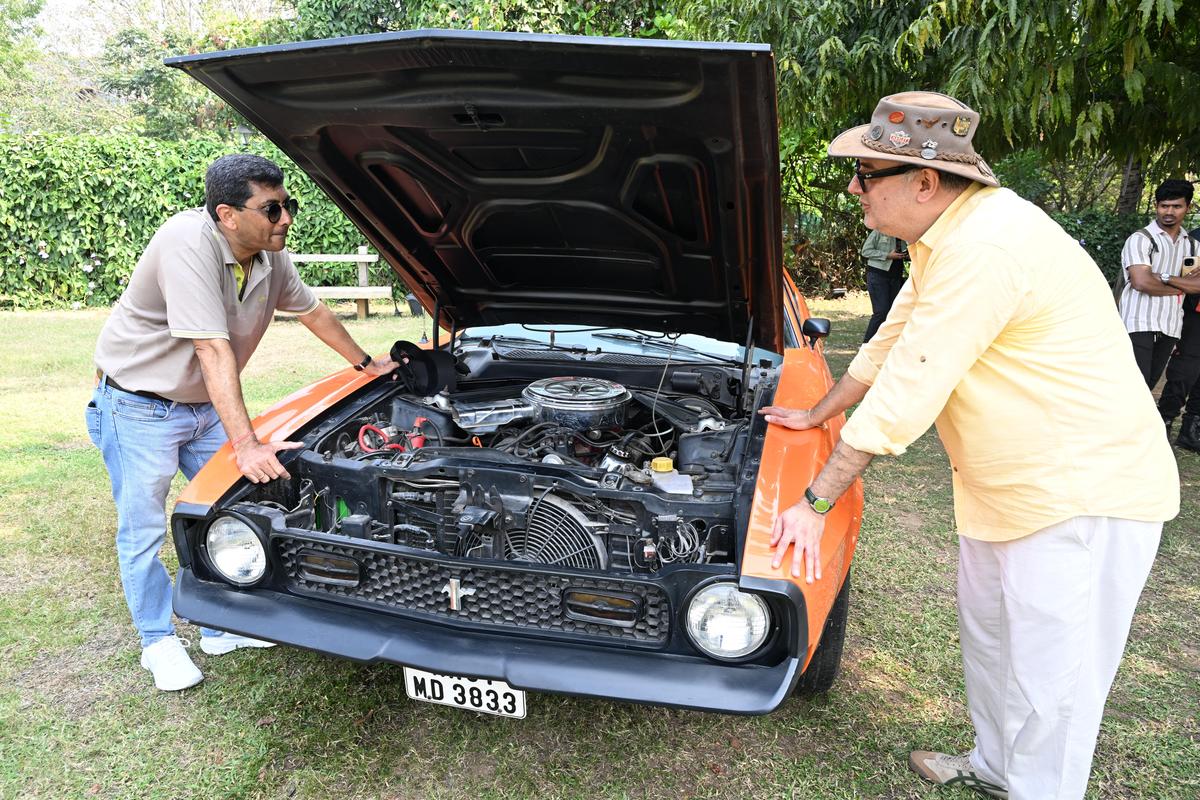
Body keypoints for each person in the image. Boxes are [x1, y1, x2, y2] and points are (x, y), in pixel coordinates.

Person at [759, 92, 1178, 800]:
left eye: (866, 174)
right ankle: (992, 766)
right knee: (992, 645)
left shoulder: (987, 246)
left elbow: (911, 385)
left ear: (924, 182)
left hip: (1082, 494)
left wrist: (815, 502)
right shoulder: (944, 239)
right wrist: (817, 411)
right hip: (1005, 489)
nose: (855, 189)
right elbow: (890, 338)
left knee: (1054, 684)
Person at [86, 154, 397, 692]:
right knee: (141, 528)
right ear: (227, 215)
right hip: (139, 407)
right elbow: (210, 346)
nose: (286, 220)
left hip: (202, 407)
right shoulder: (186, 243)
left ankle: (217, 625)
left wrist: (369, 366)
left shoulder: (268, 257)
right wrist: (246, 442)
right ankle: (157, 640)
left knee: (234, 508)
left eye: (288, 206)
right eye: (273, 209)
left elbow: (313, 311)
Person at [1116, 179, 1200, 390]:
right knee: (1134, 387)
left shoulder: (1192, 245)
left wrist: (1162, 277)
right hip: (1138, 322)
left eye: (1176, 206)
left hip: (1170, 324)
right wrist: (1183, 286)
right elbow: (1141, 282)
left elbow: (1198, 286)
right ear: (1157, 206)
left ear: (1187, 208)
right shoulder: (1140, 239)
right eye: (1164, 206)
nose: (1169, 211)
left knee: (1149, 386)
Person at [1156, 222, 1200, 449]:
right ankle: (1164, 419)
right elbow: (1187, 278)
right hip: (1195, 313)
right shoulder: (1194, 240)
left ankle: (1191, 429)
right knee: (1185, 370)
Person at [860, 227, 908, 341]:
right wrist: (887, 255)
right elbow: (866, 251)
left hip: (896, 276)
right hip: (878, 275)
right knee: (881, 311)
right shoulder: (879, 231)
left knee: (893, 312)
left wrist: (906, 255)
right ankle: (867, 343)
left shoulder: (904, 234)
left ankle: (885, 343)